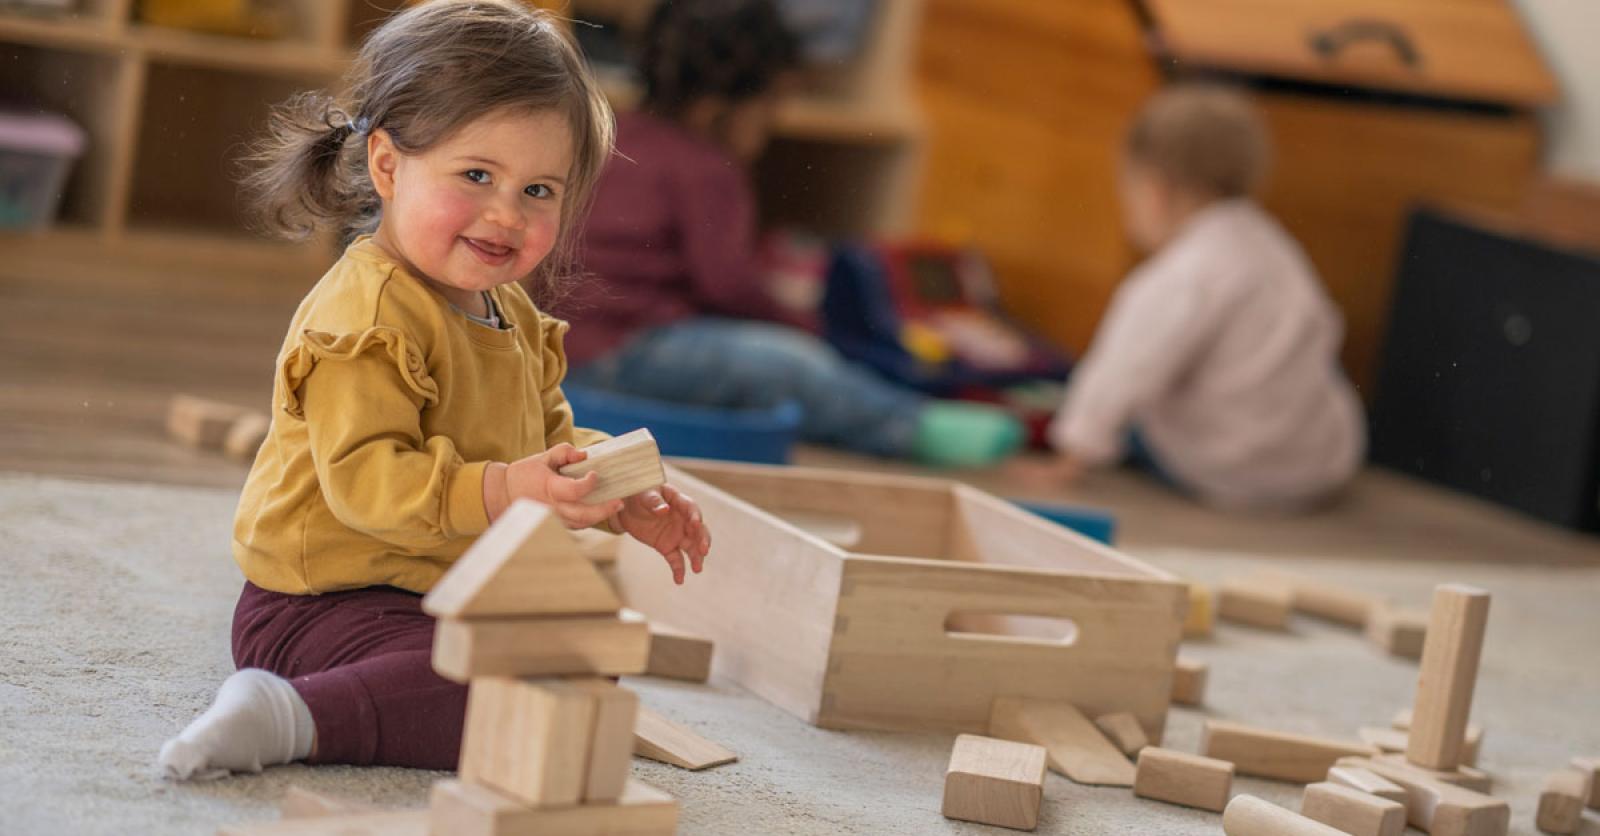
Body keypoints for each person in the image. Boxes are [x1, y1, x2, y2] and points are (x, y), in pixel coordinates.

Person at [156, 0, 709, 779]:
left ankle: (372, 700)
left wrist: (615, 488)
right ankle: (290, 715)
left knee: (582, 672)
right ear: (387, 165)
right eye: (477, 175)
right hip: (326, 601)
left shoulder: (510, 310)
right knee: (489, 695)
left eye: (539, 191)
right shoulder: (367, 314)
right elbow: (366, 487)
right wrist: (509, 489)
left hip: (447, 585)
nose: (505, 215)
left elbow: (546, 442)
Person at [562, 0, 1022, 468]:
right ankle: (911, 425)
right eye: (773, 104)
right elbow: (728, 285)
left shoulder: (612, 132)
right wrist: (799, 325)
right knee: (788, 363)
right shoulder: (705, 166)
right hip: (629, 350)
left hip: (560, 351)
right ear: (733, 103)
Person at [1036, 85, 1365, 510]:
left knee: (1128, 416)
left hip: (1227, 469)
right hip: (1316, 467)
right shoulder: (1278, 249)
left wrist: (1072, 453)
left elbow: (1125, 369)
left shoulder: (1180, 274)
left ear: (1153, 192)